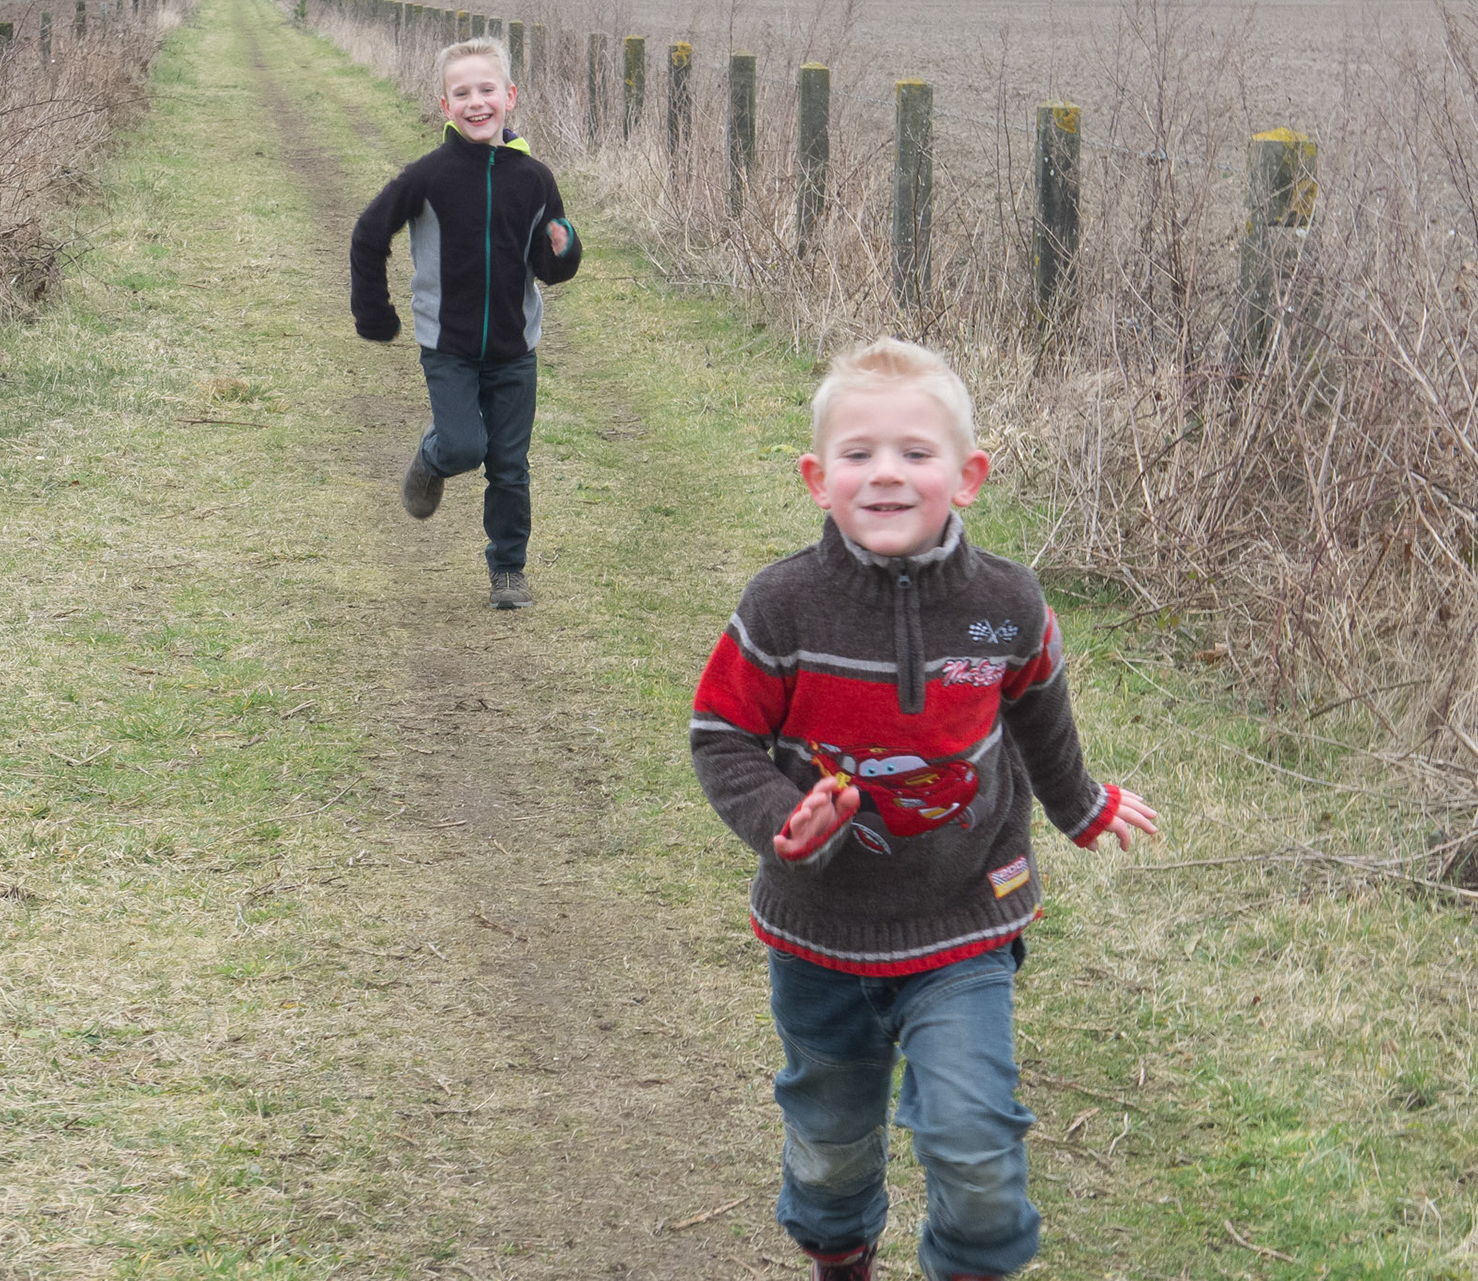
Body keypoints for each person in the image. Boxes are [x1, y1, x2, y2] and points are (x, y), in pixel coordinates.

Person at [689, 337, 1160, 1281]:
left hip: (963, 917)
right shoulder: (782, 606)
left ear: (968, 476)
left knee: (975, 1137)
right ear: (818, 479)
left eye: (915, 452)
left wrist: (1080, 805)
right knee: (830, 1144)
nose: (886, 473)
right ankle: (841, 1252)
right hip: (820, 933)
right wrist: (784, 819)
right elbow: (720, 734)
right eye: (858, 453)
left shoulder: (1005, 604)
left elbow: (1040, 712)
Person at [349, 36, 581, 609]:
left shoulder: (535, 179)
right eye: (462, 93)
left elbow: (550, 266)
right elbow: (369, 233)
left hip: (514, 348)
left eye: (486, 90)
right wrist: (375, 312)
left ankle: (508, 571)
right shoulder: (428, 176)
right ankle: (432, 458)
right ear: (445, 104)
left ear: (510, 96)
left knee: (509, 466)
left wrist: (565, 248)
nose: (476, 102)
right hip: (447, 345)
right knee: (462, 446)